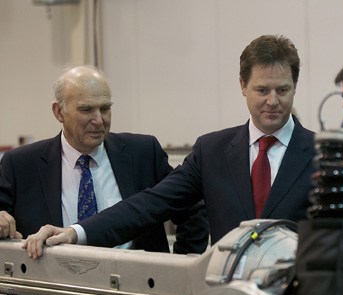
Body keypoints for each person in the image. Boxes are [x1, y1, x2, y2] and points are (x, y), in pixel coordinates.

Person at [24, 34, 317, 259]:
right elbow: (148, 204)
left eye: (282, 89)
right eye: (262, 90)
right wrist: (76, 233)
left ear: (295, 85)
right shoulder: (212, 151)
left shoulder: (325, 157)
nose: (273, 100)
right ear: (242, 86)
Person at [0, 65, 208, 254]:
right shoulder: (21, 164)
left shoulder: (142, 153)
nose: (99, 120)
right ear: (58, 112)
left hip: (137, 286)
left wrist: (179, 265)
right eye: (86, 109)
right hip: (55, 286)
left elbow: (191, 209)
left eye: (105, 108)